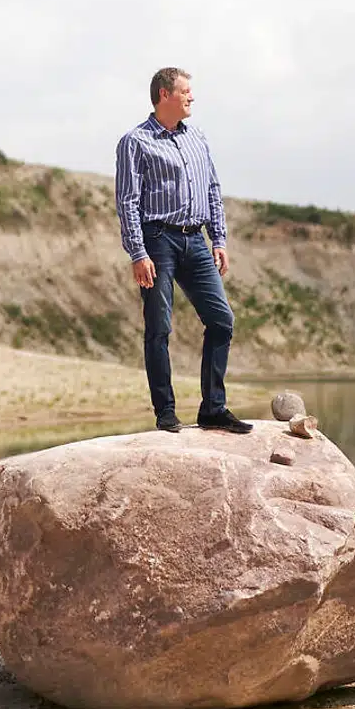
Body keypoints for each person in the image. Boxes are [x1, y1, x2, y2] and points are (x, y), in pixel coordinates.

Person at [114, 67, 252, 434]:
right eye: (186, 91)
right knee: (159, 327)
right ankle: (166, 411)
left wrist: (218, 239)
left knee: (222, 320)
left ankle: (213, 408)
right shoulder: (135, 142)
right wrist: (137, 252)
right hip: (157, 240)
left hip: (197, 241)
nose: (192, 97)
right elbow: (127, 201)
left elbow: (212, 190)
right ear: (164, 95)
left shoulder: (198, 138)